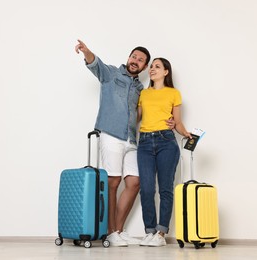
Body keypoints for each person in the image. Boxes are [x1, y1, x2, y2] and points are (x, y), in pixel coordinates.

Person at [75, 40, 174, 247]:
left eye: (141, 60)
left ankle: (118, 230)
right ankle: (111, 232)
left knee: (135, 182)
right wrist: (86, 51)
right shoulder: (111, 74)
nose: (135, 61)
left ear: (145, 67)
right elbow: (95, 64)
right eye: (134, 57)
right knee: (113, 183)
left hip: (131, 138)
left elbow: (144, 113)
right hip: (111, 134)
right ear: (128, 58)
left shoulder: (140, 88)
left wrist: (170, 120)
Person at [137, 57, 192, 247]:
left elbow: (177, 122)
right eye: (151, 66)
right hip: (144, 142)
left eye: (157, 66)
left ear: (166, 72)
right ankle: (149, 231)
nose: (152, 69)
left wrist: (185, 133)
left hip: (166, 142)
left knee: (165, 189)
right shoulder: (143, 94)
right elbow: (136, 118)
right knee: (146, 189)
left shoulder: (174, 93)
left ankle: (161, 233)